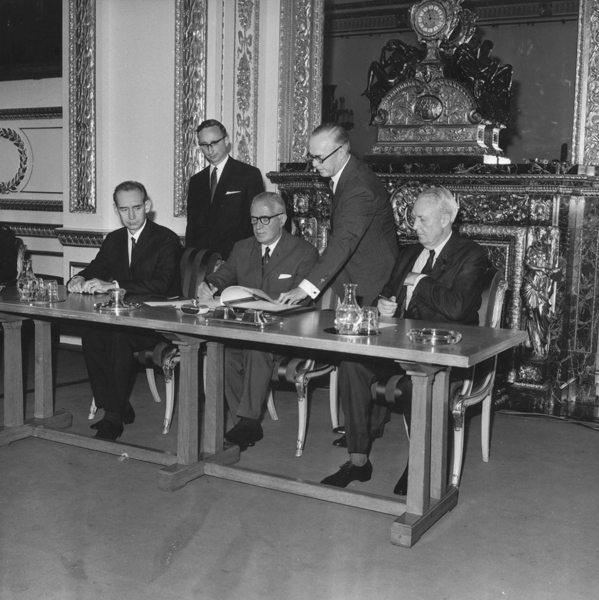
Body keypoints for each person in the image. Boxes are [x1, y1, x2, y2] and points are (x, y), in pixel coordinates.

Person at [320, 187, 489, 494]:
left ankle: (421, 463)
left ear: (447, 219)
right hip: (399, 348)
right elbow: (388, 292)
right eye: (413, 219)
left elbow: (456, 308)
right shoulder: (409, 253)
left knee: (416, 385)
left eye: (422, 219)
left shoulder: (472, 254)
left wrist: (421, 281)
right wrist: (385, 303)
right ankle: (358, 461)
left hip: (443, 355)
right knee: (352, 363)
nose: (415, 226)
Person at [197, 192, 319, 449]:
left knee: (255, 348)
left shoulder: (303, 251)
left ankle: (247, 423)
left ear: (282, 219)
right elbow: (224, 276)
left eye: (265, 219)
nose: (258, 226)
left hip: (286, 332)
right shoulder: (242, 248)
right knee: (226, 353)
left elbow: (304, 299)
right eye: (254, 220)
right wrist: (208, 285)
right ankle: (245, 423)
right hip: (248, 327)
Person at [68, 181, 182, 441]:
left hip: (157, 320)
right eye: (124, 209)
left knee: (117, 338)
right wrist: (78, 279)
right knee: (92, 337)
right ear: (116, 210)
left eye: (137, 207)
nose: (131, 215)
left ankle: (113, 417)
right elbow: (96, 267)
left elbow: (161, 285)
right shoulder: (114, 239)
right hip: (126, 318)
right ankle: (119, 406)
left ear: (148, 206)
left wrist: (113, 285)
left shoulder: (165, 238)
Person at [278, 122, 398, 308]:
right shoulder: (347, 174)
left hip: (371, 286)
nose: (314, 164)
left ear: (341, 151)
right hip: (350, 278)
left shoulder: (360, 187)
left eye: (320, 158)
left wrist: (305, 289)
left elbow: (343, 241)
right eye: (312, 157)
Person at [185, 119, 265, 260]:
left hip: (237, 260)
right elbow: (191, 228)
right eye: (204, 145)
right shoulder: (196, 181)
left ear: (226, 140)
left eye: (214, 143)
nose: (210, 150)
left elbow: (257, 222)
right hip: (202, 262)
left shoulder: (248, 174)